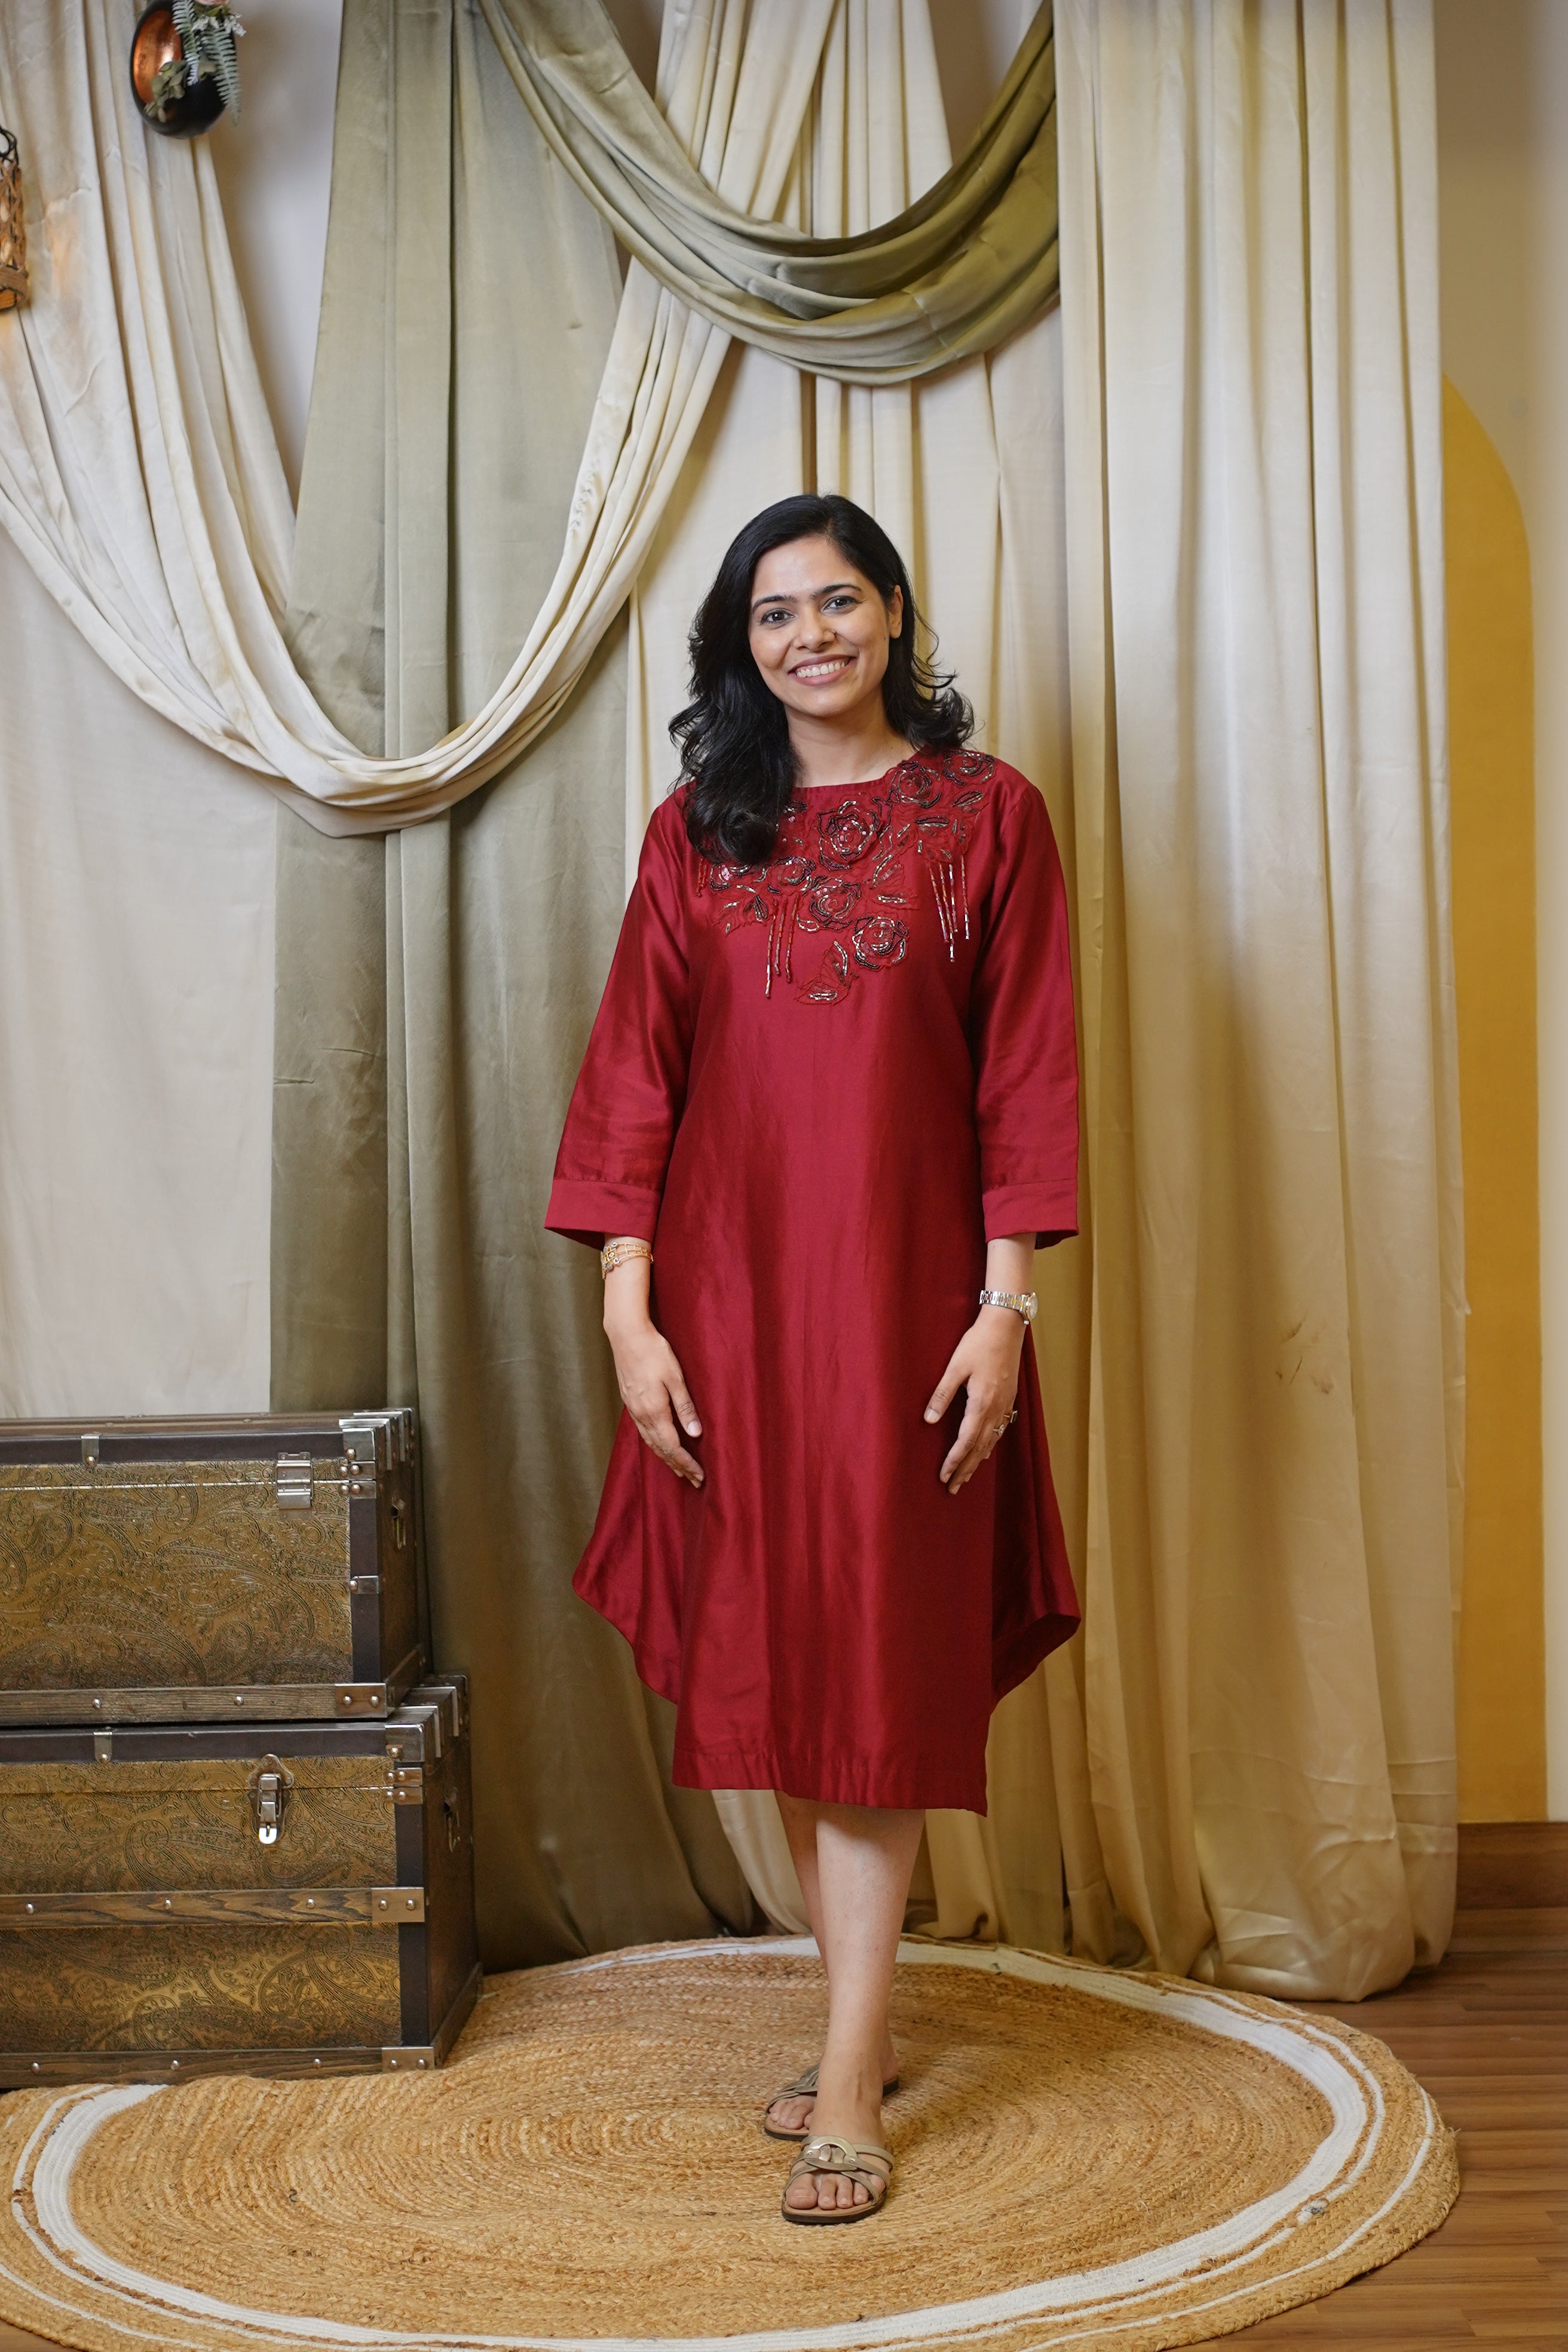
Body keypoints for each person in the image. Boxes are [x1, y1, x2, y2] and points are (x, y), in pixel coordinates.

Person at [546, 493, 1080, 2225]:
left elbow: (1027, 1069)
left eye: (839, 602)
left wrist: (1007, 1307)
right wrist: (630, 1306)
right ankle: (856, 2021)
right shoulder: (698, 829)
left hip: (916, 1316)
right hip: (730, 1314)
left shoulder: (990, 816)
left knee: (877, 1688)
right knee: (790, 1674)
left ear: (896, 615)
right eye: (775, 613)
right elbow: (636, 1068)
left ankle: (853, 2071)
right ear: (742, 643)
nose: (811, 637)